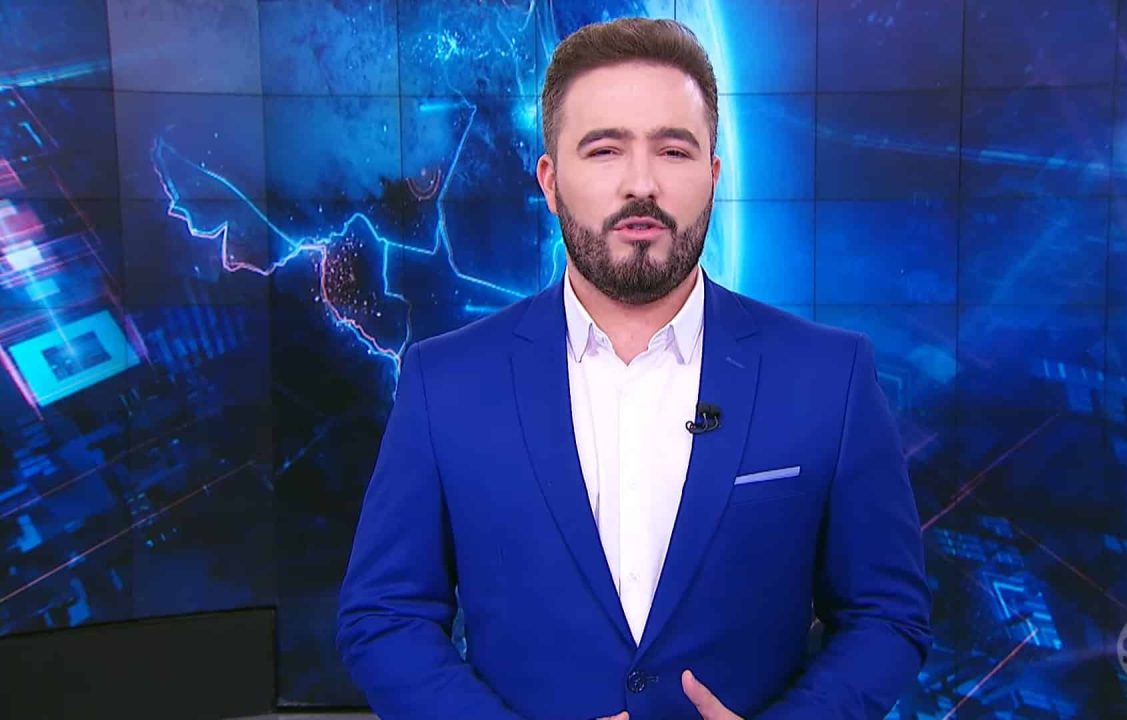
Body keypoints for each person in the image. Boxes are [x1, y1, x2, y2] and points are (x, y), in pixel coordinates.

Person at [335, 17, 932, 720]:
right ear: (551, 181)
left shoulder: (831, 376)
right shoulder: (444, 382)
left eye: (673, 151)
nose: (641, 183)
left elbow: (886, 615)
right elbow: (385, 616)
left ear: (713, 176)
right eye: (605, 150)